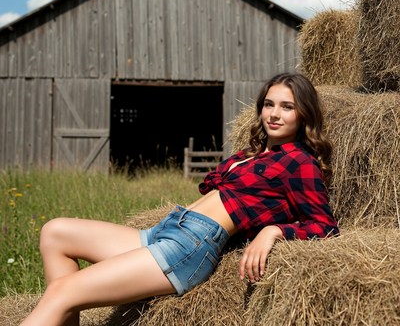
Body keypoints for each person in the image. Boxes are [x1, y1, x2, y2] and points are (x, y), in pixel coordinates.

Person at [21, 72, 339, 326]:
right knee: (55, 232)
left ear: (303, 114)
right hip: (165, 231)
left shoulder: (300, 161)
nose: (274, 114)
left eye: (287, 107)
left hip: (190, 246)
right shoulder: (251, 154)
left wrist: (273, 231)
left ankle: (55, 308)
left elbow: (325, 227)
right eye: (269, 104)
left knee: (63, 291)